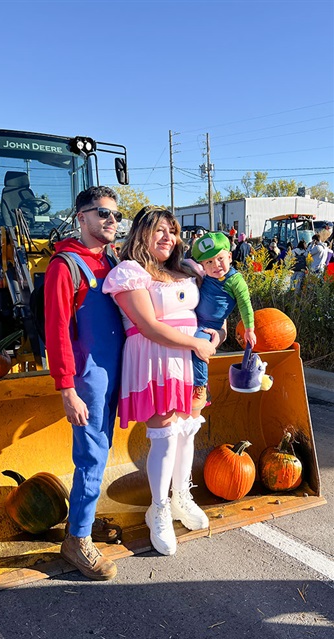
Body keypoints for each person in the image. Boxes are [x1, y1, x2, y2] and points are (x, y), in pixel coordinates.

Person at [103, 206, 216, 556]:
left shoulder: (179, 270)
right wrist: (196, 343)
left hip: (189, 361)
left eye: (173, 231)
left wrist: (214, 334)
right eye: (160, 230)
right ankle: (159, 509)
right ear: (141, 233)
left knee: (186, 431)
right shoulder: (130, 272)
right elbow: (149, 325)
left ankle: (181, 496)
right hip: (154, 359)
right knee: (165, 437)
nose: (168, 237)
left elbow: (202, 312)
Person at [44, 186, 126, 581]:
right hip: (89, 378)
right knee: (92, 455)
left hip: (119, 370)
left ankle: (85, 519)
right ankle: (76, 540)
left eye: (115, 215)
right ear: (82, 218)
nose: (112, 221)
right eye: (103, 214)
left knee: (103, 450)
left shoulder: (113, 260)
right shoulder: (66, 266)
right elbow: (57, 331)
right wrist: (67, 388)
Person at [189, 232, 256, 410]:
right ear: (203, 265)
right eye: (209, 262)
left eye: (220, 259)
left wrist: (249, 329)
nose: (216, 265)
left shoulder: (235, 280)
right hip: (194, 320)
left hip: (209, 327)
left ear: (229, 256)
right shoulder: (204, 277)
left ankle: (201, 387)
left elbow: (245, 305)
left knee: (198, 348)